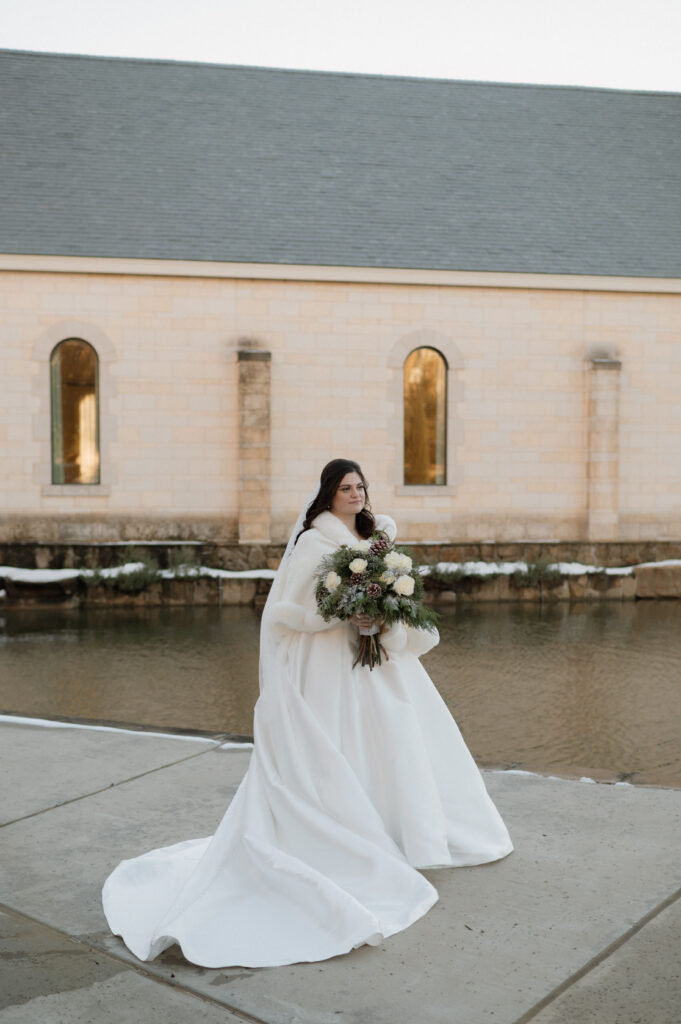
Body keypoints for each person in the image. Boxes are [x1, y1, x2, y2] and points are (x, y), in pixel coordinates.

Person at [102, 459, 513, 968]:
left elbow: (400, 605)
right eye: (346, 488)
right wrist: (340, 613)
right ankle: (347, 835)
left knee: (392, 740)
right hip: (326, 664)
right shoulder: (312, 545)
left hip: (376, 662)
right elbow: (287, 612)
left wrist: (380, 620)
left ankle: (403, 831)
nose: (356, 494)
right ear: (329, 494)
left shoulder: (382, 541)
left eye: (361, 486)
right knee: (339, 745)